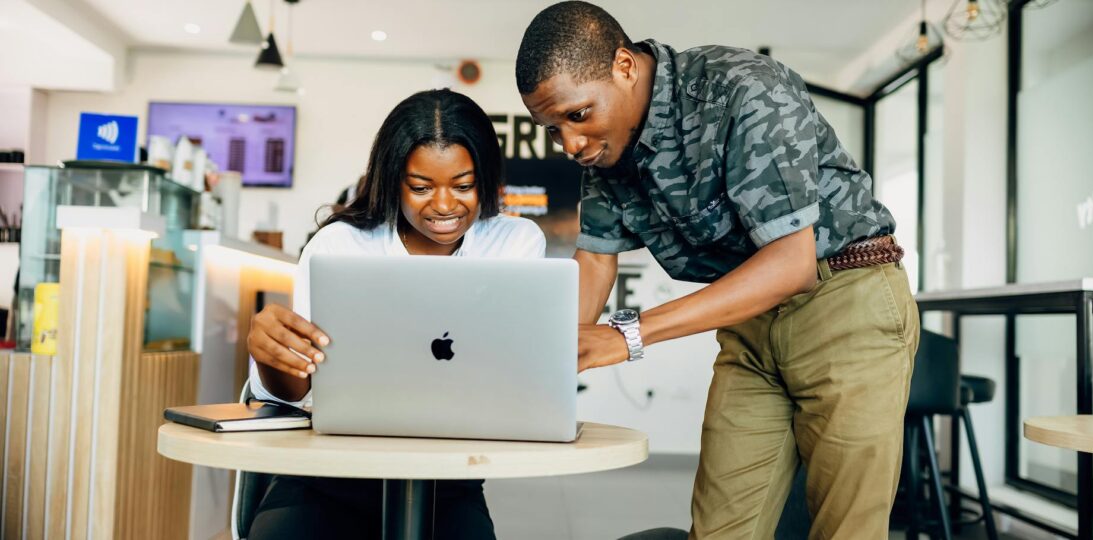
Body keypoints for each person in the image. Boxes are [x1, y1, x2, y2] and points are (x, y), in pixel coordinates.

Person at [515, 3, 919, 539]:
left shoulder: (744, 90)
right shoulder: (606, 151)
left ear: (624, 66)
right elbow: (594, 260)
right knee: (720, 530)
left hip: (847, 303)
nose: (569, 143)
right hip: (752, 328)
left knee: (845, 530)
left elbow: (790, 263)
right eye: (551, 128)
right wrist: (553, 369)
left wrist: (627, 335)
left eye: (577, 114)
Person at [244, 88, 544, 540]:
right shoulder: (340, 245)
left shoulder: (515, 242)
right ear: (391, 179)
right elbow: (294, 394)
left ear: (485, 177)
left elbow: (510, 382)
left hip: (447, 483)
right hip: (327, 478)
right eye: (421, 187)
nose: (444, 206)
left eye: (463, 186)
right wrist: (272, 358)